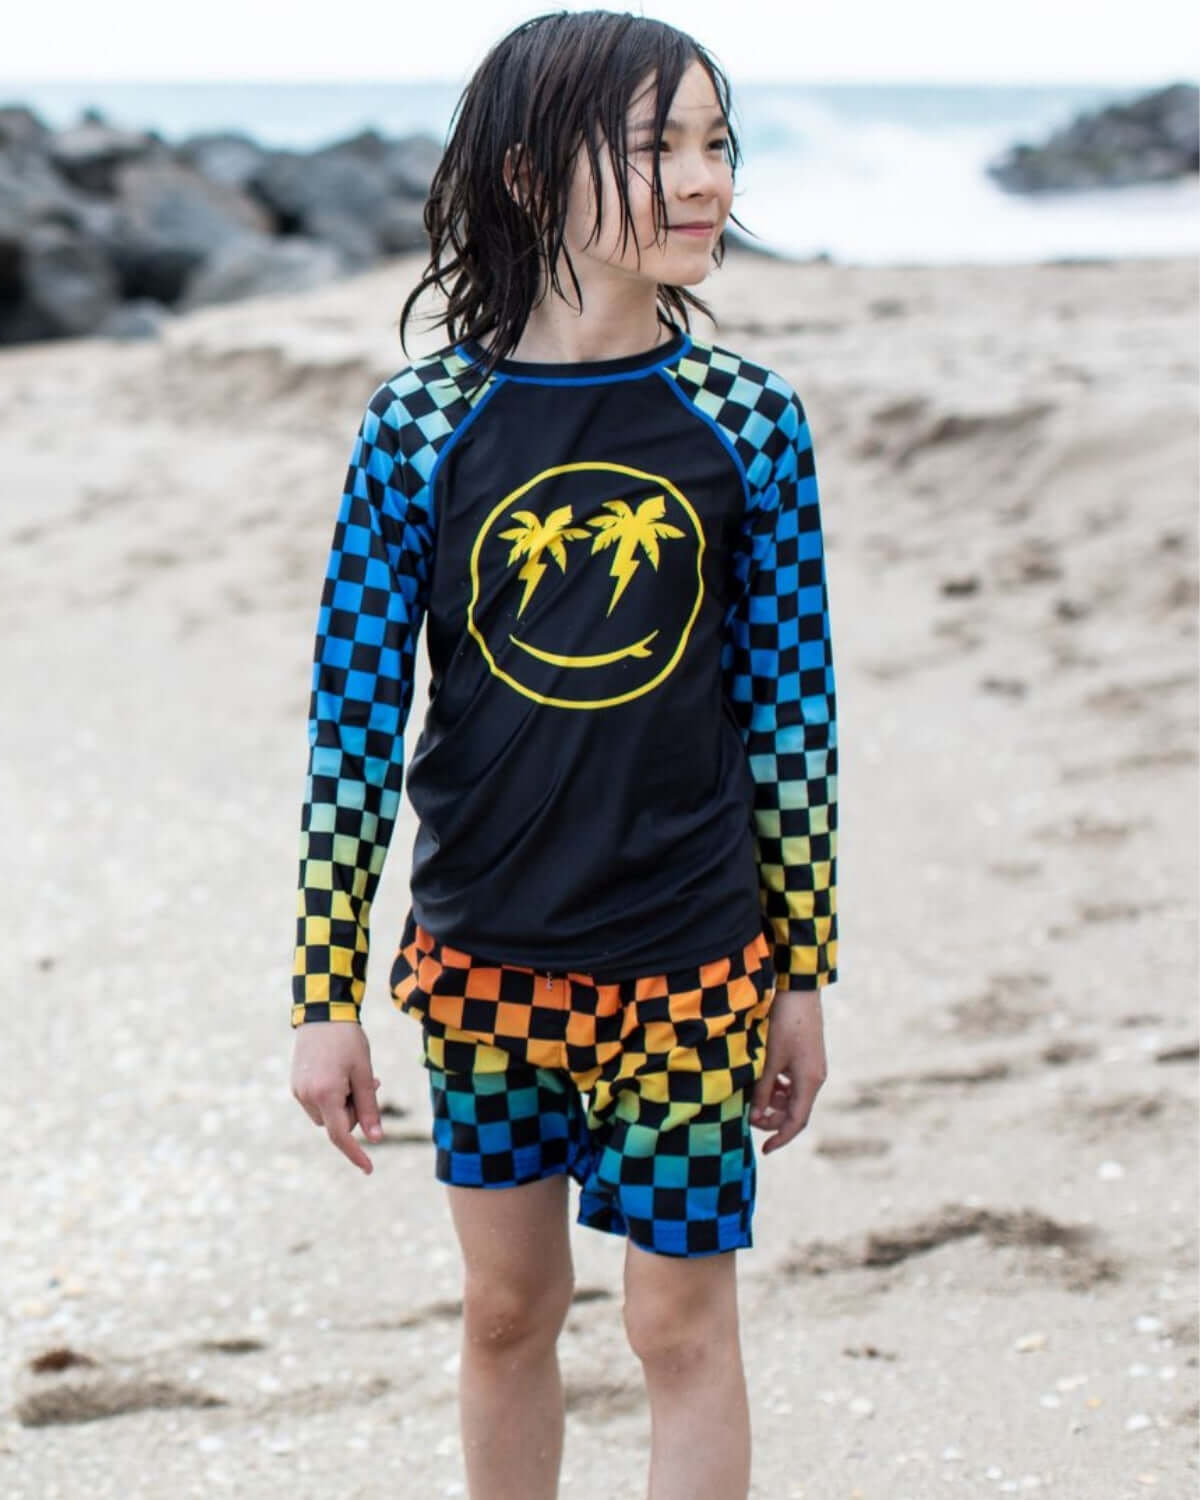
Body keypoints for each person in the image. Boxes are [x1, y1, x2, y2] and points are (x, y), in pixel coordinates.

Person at [289, 11, 838, 1499]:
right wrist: (320, 997)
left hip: (691, 962)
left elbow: (794, 720)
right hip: (482, 965)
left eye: (718, 143)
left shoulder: (746, 420)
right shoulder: (423, 425)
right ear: (534, 179)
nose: (705, 180)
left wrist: (802, 974)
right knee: (508, 1311)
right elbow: (353, 723)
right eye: (658, 145)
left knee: (679, 1327)